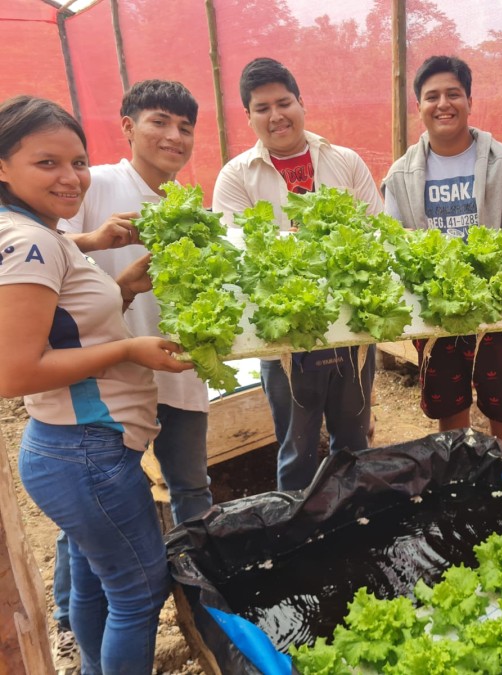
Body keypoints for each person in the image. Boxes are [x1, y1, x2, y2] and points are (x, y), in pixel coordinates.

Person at [0, 95, 193, 674]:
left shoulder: (37, 233)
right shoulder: (29, 243)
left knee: (93, 582)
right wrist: (131, 348)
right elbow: (15, 371)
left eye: (78, 161)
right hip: (85, 448)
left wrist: (124, 285)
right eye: (47, 163)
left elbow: (68, 323)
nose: (72, 177)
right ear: (3, 167)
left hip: (69, 445)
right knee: (137, 593)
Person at [52, 79, 211, 671]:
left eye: (185, 127)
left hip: (176, 374)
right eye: (159, 122)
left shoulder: (184, 205)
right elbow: (51, 262)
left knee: (192, 488)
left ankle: (204, 597)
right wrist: (100, 251)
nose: (174, 136)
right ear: (126, 125)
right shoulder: (93, 186)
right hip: (108, 382)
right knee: (94, 518)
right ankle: (70, 617)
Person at [212, 57, 382, 491]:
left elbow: (378, 233)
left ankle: (356, 517)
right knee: (296, 447)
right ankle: (297, 530)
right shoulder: (236, 177)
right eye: (262, 107)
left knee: (354, 440)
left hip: (350, 327)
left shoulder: (344, 161)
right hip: (282, 340)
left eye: (284, 102)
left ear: (301, 103)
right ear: (249, 116)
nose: (276, 115)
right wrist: (322, 244)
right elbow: (238, 257)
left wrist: (286, 244)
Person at [382, 55, 502, 463]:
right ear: (418, 107)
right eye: (431, 96)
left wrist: (483, 260)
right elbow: (393, 241)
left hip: (495, 307)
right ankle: (460, 473)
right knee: (448, 402)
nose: (443, 104)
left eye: (453, 93)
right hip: (437, 314)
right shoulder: (401, 176)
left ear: (469, 100)